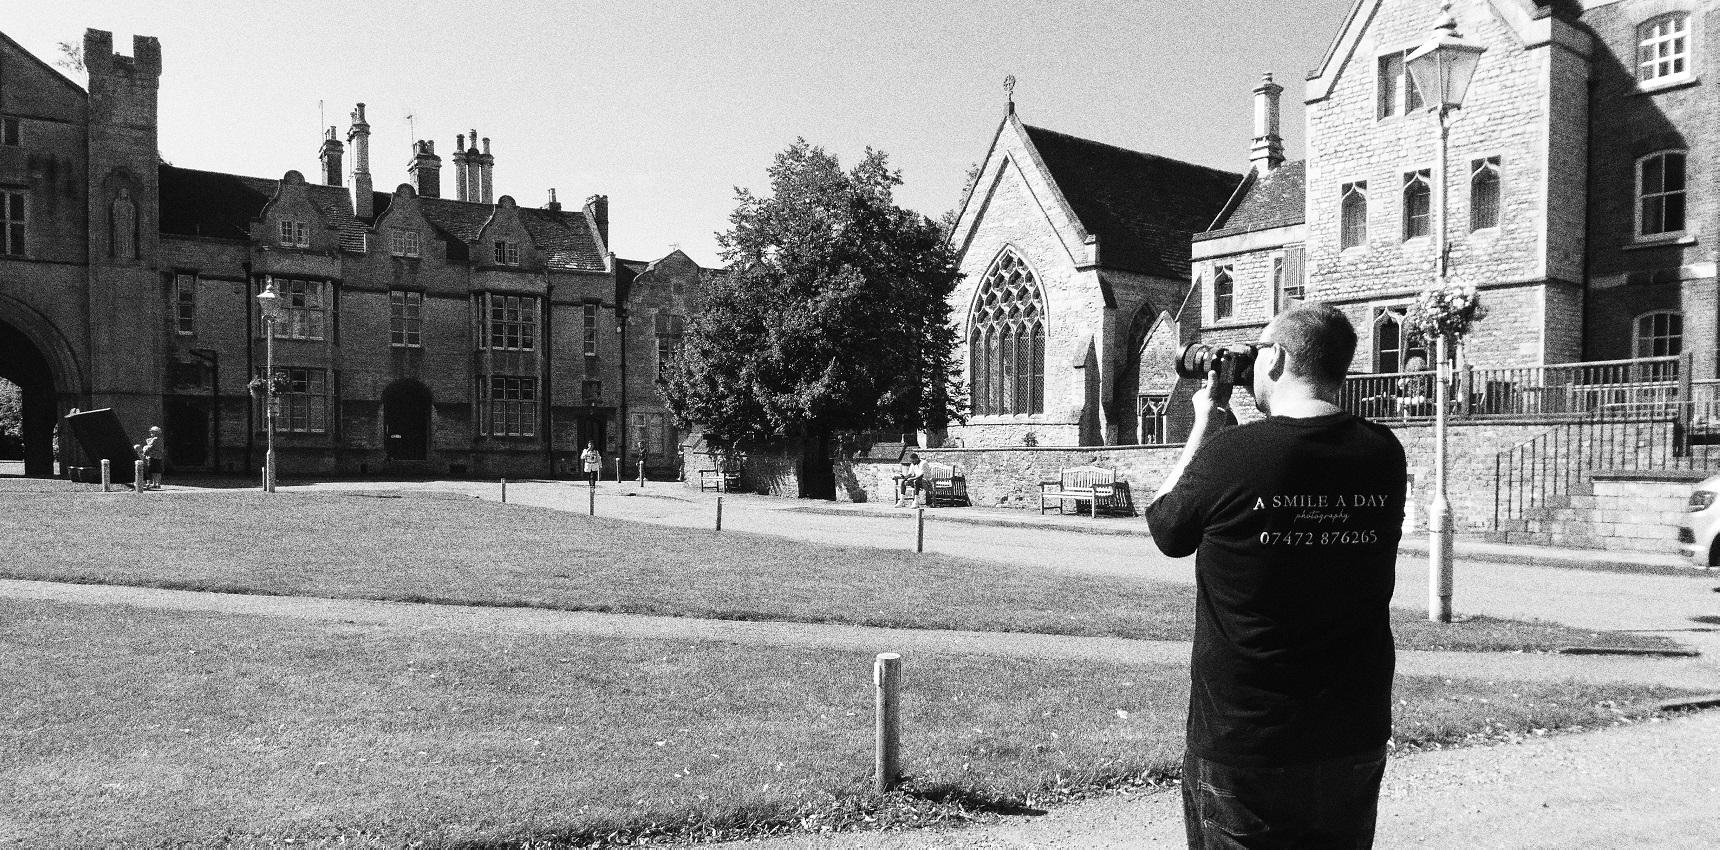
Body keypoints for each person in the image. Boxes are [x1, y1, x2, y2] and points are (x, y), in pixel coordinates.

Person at [1145, 303, 1407, 848]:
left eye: (1260, 349)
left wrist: (1204, 423)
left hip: (1248, 735)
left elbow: (1167, 527)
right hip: (1351, 729)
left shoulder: (1233, 454)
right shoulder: (1382, 452)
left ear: (1279, 357)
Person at [136, 425, 166, 490]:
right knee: (157, 471)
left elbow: (149, 447)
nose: (151, 433)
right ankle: (157, 484)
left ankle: (151, 484)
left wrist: (144, 449)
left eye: (152, 432)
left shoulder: (155, 439)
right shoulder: (160, 439)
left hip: (153, 457)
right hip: (159, 457)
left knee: (151, 471)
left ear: (156, 433)